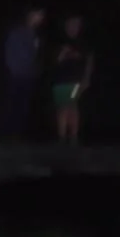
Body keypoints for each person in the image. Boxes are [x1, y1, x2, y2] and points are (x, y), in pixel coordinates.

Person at [1, 8, 45, 139]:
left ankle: (19, 135)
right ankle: (8, 134)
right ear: (31, 15)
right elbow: (10, 53)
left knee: (24, 106)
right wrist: (13, 69)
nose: (41, 19)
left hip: (29, 74)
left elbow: (36, 55)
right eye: (39, 15)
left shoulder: (36, 34)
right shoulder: (18, 32)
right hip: (16, 74)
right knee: (13, 105)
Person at [53, 15, 93, 145]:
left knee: (72, 105)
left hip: (75, 79)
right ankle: (62, 137)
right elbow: (54, 61)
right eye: (71, 23)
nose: (74, 27)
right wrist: (63, 53)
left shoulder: (83, 42)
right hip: (60, 80)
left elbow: (89, 61)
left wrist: (86, 78)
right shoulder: (59, 40)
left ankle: (73, 137)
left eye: (77, 24)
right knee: (62, 107)